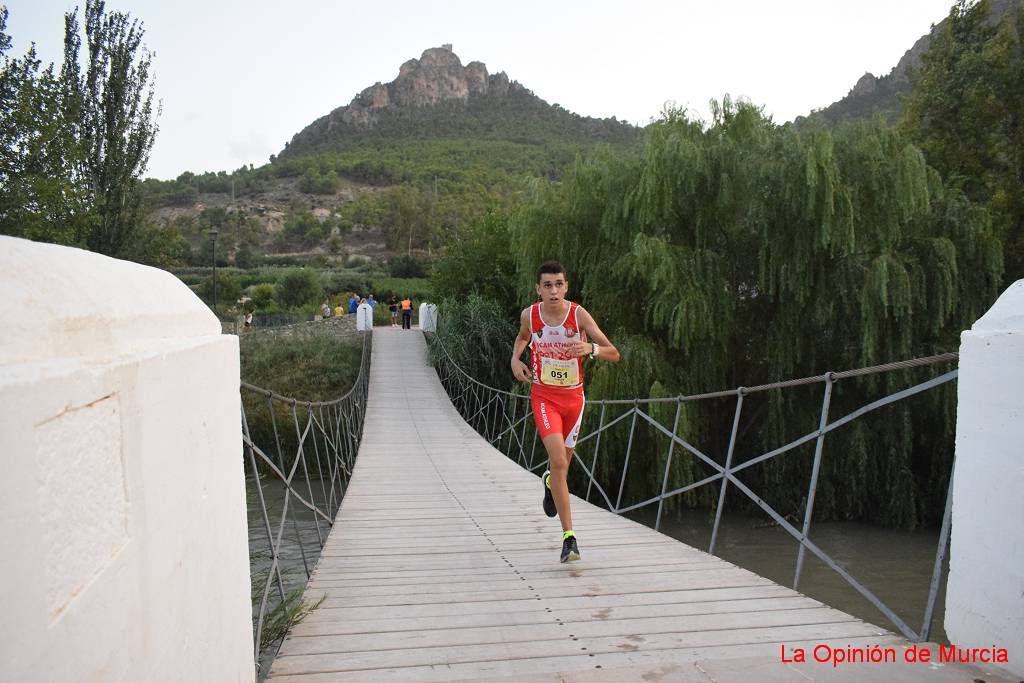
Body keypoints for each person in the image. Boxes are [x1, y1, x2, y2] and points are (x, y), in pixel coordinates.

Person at [510, 261, 620, 563]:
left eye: (559, 284)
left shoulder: (578, 315)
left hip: (575, 401)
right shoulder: (530, 316)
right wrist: (515, 360)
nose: (554, 291)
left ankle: (548, 482)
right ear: (538, 289)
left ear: (566, 286)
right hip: (544, 398)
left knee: (561, 469)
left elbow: (614, 352)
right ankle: (569, 539)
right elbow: (522, 338)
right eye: (547, 285)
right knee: (558, 460)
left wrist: (592, 350)